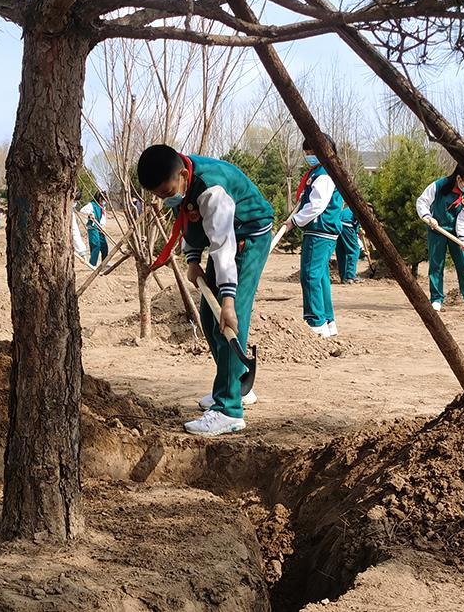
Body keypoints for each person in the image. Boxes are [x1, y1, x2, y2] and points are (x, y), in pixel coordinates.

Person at [138, 144, 273, 436]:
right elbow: (189, 218)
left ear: (183, 175)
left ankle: (229, 410)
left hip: (247, 236)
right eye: (158, 195)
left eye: (166, 192)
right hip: (226, 236)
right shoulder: (182, 182)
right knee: (208, 316)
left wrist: (228, 302)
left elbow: (224, 248)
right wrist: (192, 258)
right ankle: (235, 386)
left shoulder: (213, 192)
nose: (164, 199)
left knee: (227, 321)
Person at [286, 136, 343, 337]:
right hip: (322, 231)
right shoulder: (319, 173)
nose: (309, 156)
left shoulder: (324, 175)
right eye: (307, 153)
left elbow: (317, 205)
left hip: (320, 231)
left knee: (309, 275)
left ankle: (315, 323)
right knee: (320, 277)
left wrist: (295, 221)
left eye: (312, 152)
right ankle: (327, 321)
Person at [415, 166, 464, 312]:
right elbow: (422, 202)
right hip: (436, 230)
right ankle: (436, 299)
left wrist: (463, 239)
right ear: (458, 178)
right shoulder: (438, 186)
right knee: (436, 266)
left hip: (456, 234)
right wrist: (428, 218)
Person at [78, 191, 110, 267]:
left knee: (104, 245)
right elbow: (82, 210)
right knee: (96, 245)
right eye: (103, 199)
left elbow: (103, 218)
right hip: (93, 227)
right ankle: (92, 264)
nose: (105, 201)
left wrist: (103, 226)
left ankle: (105, 262)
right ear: (99, 198)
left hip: (100, 228)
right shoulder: (92, 205)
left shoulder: (102, 206)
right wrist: (90, 214)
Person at [335, 204, 362, 285]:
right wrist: (358, 230)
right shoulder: (359, 209)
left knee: (341, 252)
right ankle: (350, 276)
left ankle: (343, 277)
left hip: (338, 226)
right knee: (354, 250)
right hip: (347, 226)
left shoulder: (348, 209)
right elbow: (358, 222)